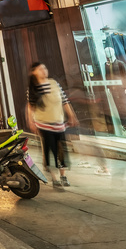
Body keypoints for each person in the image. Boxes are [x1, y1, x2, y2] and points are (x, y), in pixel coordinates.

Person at [27, 62, 78, 190]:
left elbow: (65, 101)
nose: (44, 71)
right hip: (43, 124)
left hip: (59, 123)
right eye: (40, 69)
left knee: (61, 151)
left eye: (45, 68)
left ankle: (63, 176)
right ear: (34, 72)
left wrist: (71, 115)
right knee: (49, 151)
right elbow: (30, 107)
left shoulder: (54, 84)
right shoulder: (33, 88)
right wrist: (31, 121)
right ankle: (54, 178)